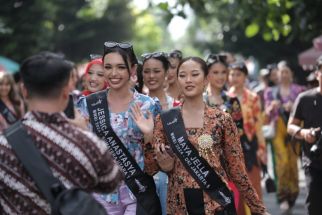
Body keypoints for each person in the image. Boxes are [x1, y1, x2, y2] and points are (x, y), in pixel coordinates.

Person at [133, 57, 269, 214]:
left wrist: (259, 209)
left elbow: (237, 171)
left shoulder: (222, 119)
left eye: (195, 74)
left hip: (216, 204)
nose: (188, 80)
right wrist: (149, 136)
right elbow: (150, 169)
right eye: (182, 75)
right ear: (177, 80)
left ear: (206, 80)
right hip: (180, 207)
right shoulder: (165, 119)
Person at [0, 51, 123, 214]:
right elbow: (111, 182)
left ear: (24, 91)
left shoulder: (4, 145)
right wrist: (88, 133)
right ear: (67, 91)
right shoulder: (88, 144)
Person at [77, 42, 161, 215]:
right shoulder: (89, 105)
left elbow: (158, 162)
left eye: (121, 67)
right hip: (101, 193)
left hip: (136, 192)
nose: (113, 74)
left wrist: (149, 135)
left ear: (132, 69)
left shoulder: (148, 105)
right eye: (108, 67)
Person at [141, 51, 180, 215]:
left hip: (171, 179)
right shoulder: (135, 105)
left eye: (156, 71)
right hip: (141, 179)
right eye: (146, 71)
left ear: (166, 73)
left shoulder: (177, 106)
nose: (151, 76)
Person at [204, 53, 244, 209]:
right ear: (206, 74)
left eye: (223, 72)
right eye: (215, 72)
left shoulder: (232, 100)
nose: (220, 77)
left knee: (230, 204)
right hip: (204, 162)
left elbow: (239, 130)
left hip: (229, 162)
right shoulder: (199, 100)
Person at [263, 62, 305, 212]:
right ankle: (283, 197)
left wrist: (293, 106)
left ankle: (293, 195)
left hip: (294, 130)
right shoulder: (270, 92)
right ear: (277, 75)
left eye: (286, 71)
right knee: (282, 162)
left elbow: (303, 112)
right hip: (278, 128)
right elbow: (266, 116)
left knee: (293, 163)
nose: (284, 74)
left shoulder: (300, 91)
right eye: (281, 72)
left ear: (291, 74)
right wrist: (271, 108)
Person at [228, 61, 267, 215]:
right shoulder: (224, 97)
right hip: (231, 149)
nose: (235, 77)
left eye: (238, 74)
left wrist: (262, 149)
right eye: (232, 74)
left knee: (253, 186)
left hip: (250, 146)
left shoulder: (253, 97)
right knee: (235, 190)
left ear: (245, 76)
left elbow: (258, 125)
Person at [287, 55, 322, 215]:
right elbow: (291, 126)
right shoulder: (305, 98)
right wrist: (304, 132)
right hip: (313, 161)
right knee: (314, 205)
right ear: (317, 74)